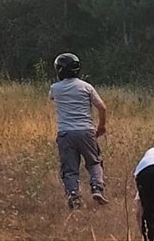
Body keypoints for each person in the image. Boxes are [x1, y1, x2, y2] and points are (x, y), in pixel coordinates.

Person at [48, 52, 108, 210]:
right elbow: (102, 107)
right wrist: (101, 126)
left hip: (65, 133)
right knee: (94, 162)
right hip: (87, 131)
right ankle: (97, 188)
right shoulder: (86, 87)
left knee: (69, 168)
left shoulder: (55, 88)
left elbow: (52, 98)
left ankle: (74, 195)